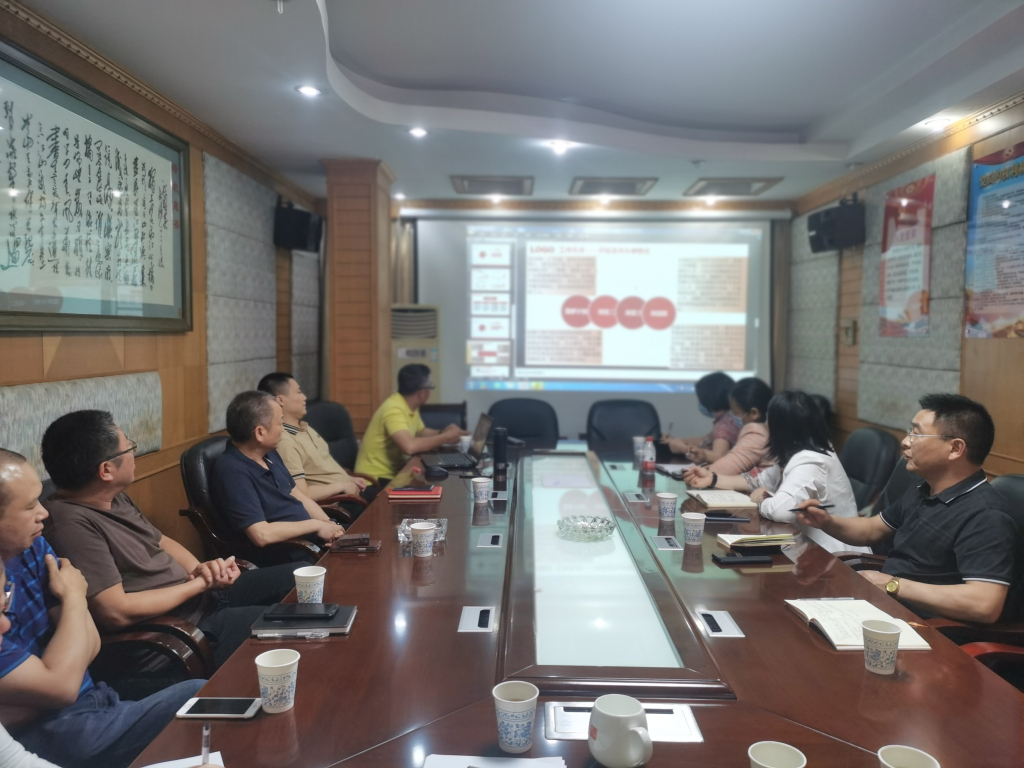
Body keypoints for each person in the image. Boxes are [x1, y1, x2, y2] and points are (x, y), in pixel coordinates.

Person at [40, 411, 297, 673]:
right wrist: (199, 584)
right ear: (106, 470)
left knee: (298, 579)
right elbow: (116, 611)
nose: (133, 454)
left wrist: (201, 569)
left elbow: (161, 540)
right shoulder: (69, 525)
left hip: (201, 599)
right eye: (129, 448)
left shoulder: (111, 496)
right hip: (181, 632)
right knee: (292, 627)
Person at [0, 450, 204, 768]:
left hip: (96, 699)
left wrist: (50, 683)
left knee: (206, 701)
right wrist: (74, 597)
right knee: (203, 701)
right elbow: (63, 688)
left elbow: (91, 642)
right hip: (56, 733)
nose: (43, 512)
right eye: (29, 507)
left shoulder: (34, 546)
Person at [796, 394, 1017, 624]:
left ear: (955, 448)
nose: (905, 442)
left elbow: (985, 604)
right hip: (886, 608)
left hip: (925, 628)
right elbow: (871, 529)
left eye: (916, 434)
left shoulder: (987, 514)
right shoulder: (925, 488)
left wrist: (892, 584)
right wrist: (827, 521)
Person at [686, 391, 868, 555]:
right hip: (806, 547)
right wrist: (712, 478)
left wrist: (761, 499)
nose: (765, 425)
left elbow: (782, 511)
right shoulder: (797, 452)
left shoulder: (811, 461)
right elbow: (755, 482)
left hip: (836, 557)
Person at [211, 391, 346, 551]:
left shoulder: (269, 453)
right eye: (280, 423)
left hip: (311, 542)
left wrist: (330, 526)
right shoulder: (232, 472)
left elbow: (298, 496)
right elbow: (261, 535)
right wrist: (315, 525)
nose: (283, 430)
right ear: (260, 433)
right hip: (290, 552)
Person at [257, 373, 379, 516]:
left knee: (395, 496)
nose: (304, 397)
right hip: (338, 502)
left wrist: (349, 479)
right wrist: (342, 485)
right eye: (299, 392)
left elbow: (322, 470)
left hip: (350, 492)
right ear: (280, 400)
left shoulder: (304, 427)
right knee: (390, 507)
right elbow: (302, 493)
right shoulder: (284, 441)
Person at [355, 364, 466, 481]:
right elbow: (409, 447)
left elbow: (420, 432)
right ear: (421, 393)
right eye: (430, 387)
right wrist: (446, 438)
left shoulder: (408, 404)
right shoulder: (394, 409)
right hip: (374, 481)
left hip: (394, 474)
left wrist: (442, 432)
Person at [685, 377, 774, 477]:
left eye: (735, 412)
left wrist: (696, 471)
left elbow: (722, 470)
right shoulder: (768, 429)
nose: (731, 417)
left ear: (754, 413)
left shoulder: (756, 433)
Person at [663, 372, 739, 463]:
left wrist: (683, 448)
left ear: (710, 399)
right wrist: (676, 441)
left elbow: (718, 456)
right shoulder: (729, 417)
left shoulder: (723, 426)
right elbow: (706, 440)